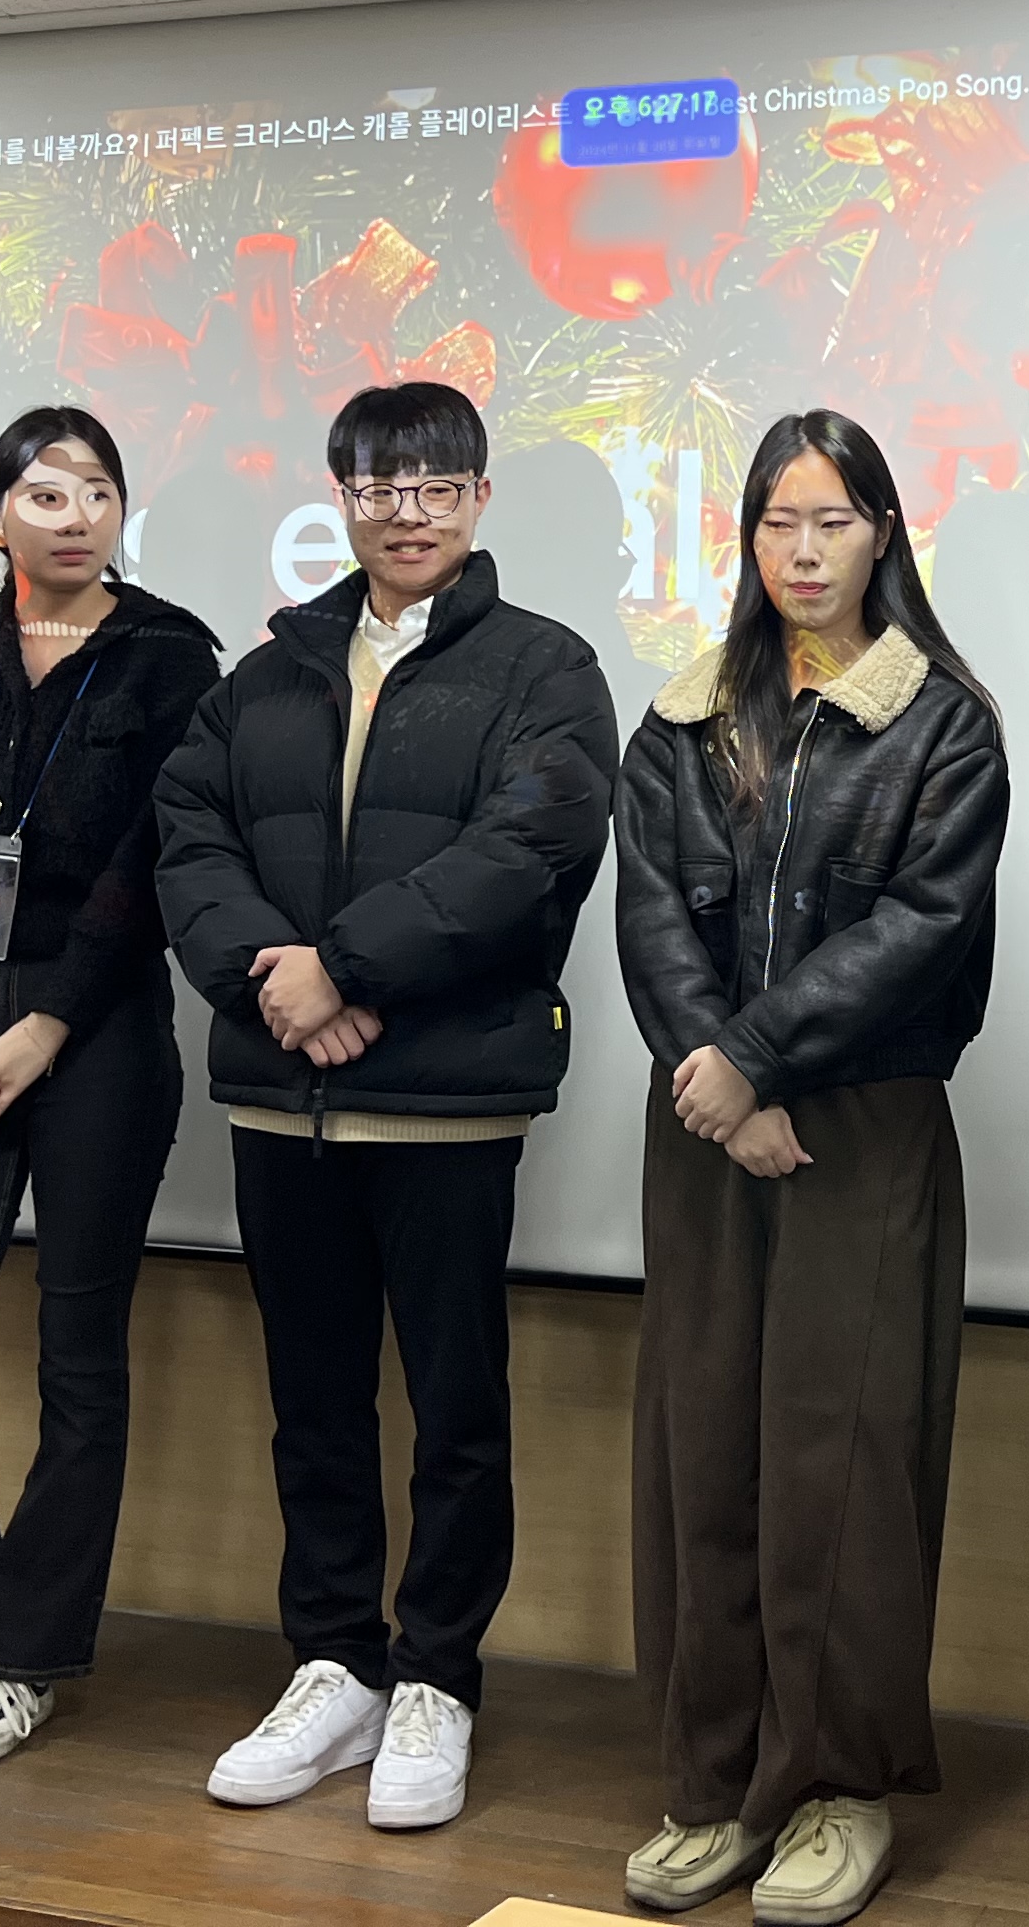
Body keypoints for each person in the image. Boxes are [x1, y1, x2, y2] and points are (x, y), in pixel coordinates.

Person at [155, 380, 619, 1835]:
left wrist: (345, 969)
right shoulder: (268, 673)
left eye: (434, 486)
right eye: (377, 486)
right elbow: (189, 838)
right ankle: (336, 1662)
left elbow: (531, 849)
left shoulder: (545, 668)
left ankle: (437, 1677)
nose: (405, 511)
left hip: (448, 1107)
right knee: (314, 1404)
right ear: (340, 498)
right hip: (283, 1107)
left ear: (477, 499)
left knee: (456, 1409)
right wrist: (276, 982)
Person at [614, 410, 1011, 1927]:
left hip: (861, 1125)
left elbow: (923, 928)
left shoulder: (944, 723)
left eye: (832, 520)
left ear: (882, 533)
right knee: (703, 1445)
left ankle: (840, 1789)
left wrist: (764, 1062)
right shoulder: (683, 716)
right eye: (778, 521)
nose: (803, 549)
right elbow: (652, 912)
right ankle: (715, 1783)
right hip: (705, 1121)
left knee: (840, 1465)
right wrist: (722, 1083)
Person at [0, 407, 225, 1769]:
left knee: (80, 1365)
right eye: (46, 492)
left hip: (98, 1039)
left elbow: (152, 868)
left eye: (98, 493)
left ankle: (22, 1659)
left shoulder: (172, 655)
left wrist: (47, 1026)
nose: (75, 516)